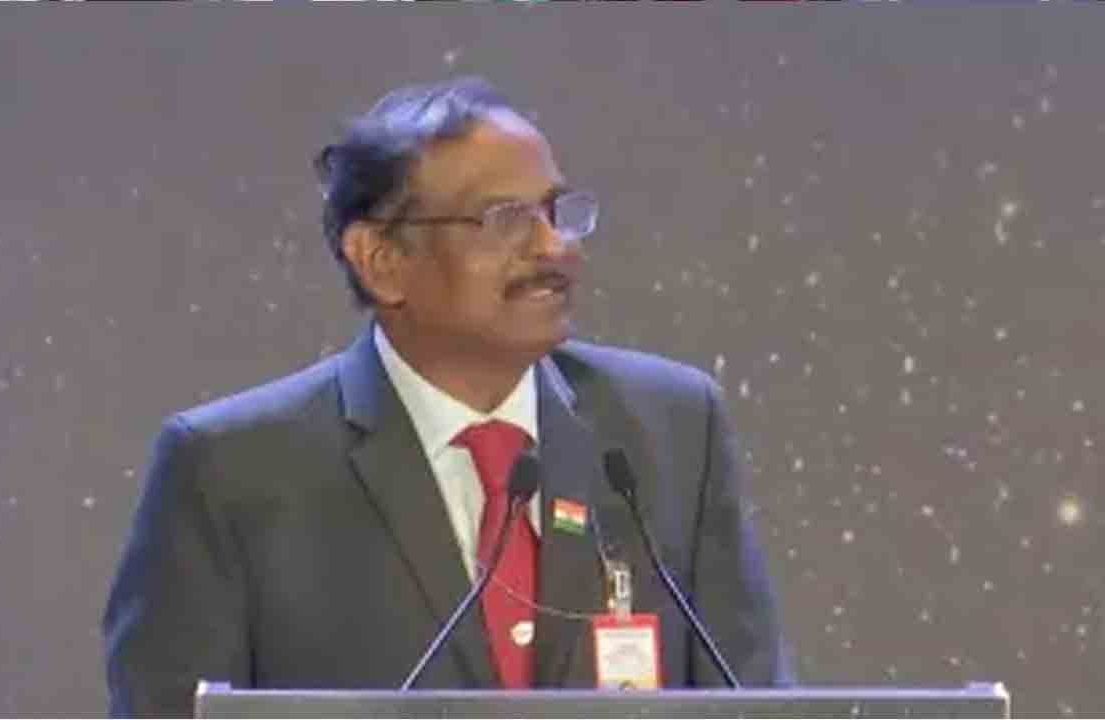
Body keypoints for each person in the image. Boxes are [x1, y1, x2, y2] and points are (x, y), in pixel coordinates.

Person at [102, 77, 794, 717]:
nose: (554, 245)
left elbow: (755, 700)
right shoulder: (231, 470)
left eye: (557, 212)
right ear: (382, 260)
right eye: (505, 218)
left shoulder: (669, 428)